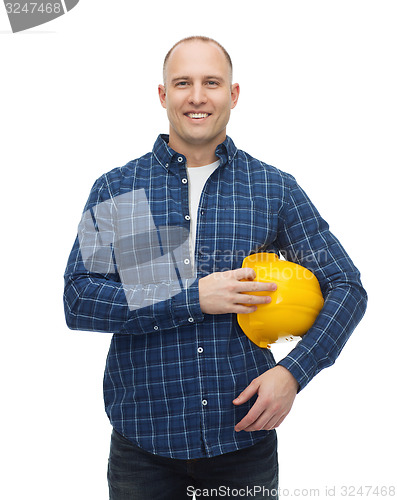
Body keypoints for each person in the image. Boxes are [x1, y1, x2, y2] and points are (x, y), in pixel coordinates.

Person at [63, 36, 367, 499]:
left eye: (212, 82)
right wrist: (192, 298)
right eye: (183, 83)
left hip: (242, 441)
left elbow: (346, 285)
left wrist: (294, 373)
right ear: (164, 95)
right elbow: (80, 299)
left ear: (233, 94)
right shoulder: (118, 187)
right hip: (142, 445)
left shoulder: (272, 188)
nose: (198, 96)